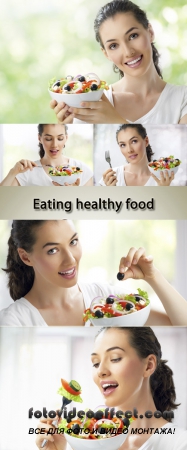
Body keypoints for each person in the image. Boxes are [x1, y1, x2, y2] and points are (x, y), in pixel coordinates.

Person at [0, 220, 187, 326]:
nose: (71, 260)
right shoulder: (15, 321)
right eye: (53, 250)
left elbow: (181, 325)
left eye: (73, 242)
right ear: (26, 257)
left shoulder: (105, 298)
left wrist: (153, 277)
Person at [35, 327, 187, 449]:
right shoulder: (87, 440)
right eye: (95, 363)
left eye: (115, 358)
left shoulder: (180, 443)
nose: (100, 371)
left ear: (148, 365)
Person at [50, 0, 187, 125]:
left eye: (133, 36)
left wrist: (115, 120)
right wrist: (66, 127)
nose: (128, 52)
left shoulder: (182, 99)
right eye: (114, 46)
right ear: (106, 53)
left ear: (150, 32)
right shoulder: (93, 104)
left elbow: (178, 152)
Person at [0, 124, 93, 186]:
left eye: (60, 138)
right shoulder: (27, 171)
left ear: (66, 138)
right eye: (48, 139)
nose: (54, 145)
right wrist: (13, 172)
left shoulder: (82, 169)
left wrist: (73, 196)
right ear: (39, 138)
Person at [99, 124, 175, 186]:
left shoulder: (163, 180)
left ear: (146, 141)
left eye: (134, 141)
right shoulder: (110, 178)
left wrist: (164, 192)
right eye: (123, 145)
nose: (129, 150)